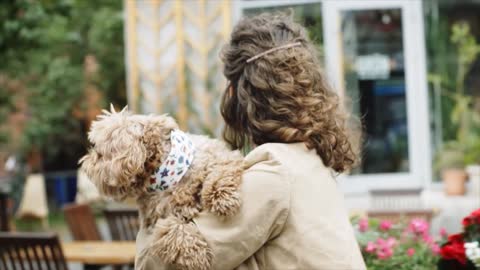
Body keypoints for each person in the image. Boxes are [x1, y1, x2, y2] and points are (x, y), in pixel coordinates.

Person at [136, 12, 366, 270]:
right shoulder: (307, 159)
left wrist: (155, 191)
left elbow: (157, 264)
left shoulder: (273, 175)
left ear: (237, 94)